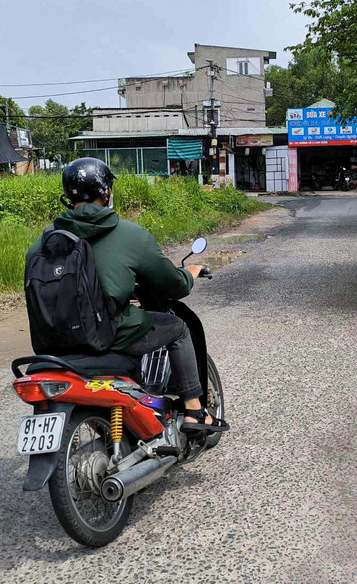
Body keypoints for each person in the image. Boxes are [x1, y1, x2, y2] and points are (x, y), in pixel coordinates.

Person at [26, 157, 227, 432]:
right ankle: (194, 410)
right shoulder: (130, 234)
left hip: (52, 342)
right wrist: (189, 273)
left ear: (67, 196)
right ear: (106, 192)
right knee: (178, 328)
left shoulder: (45, 240)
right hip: (107, 334)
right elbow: (172, 285)